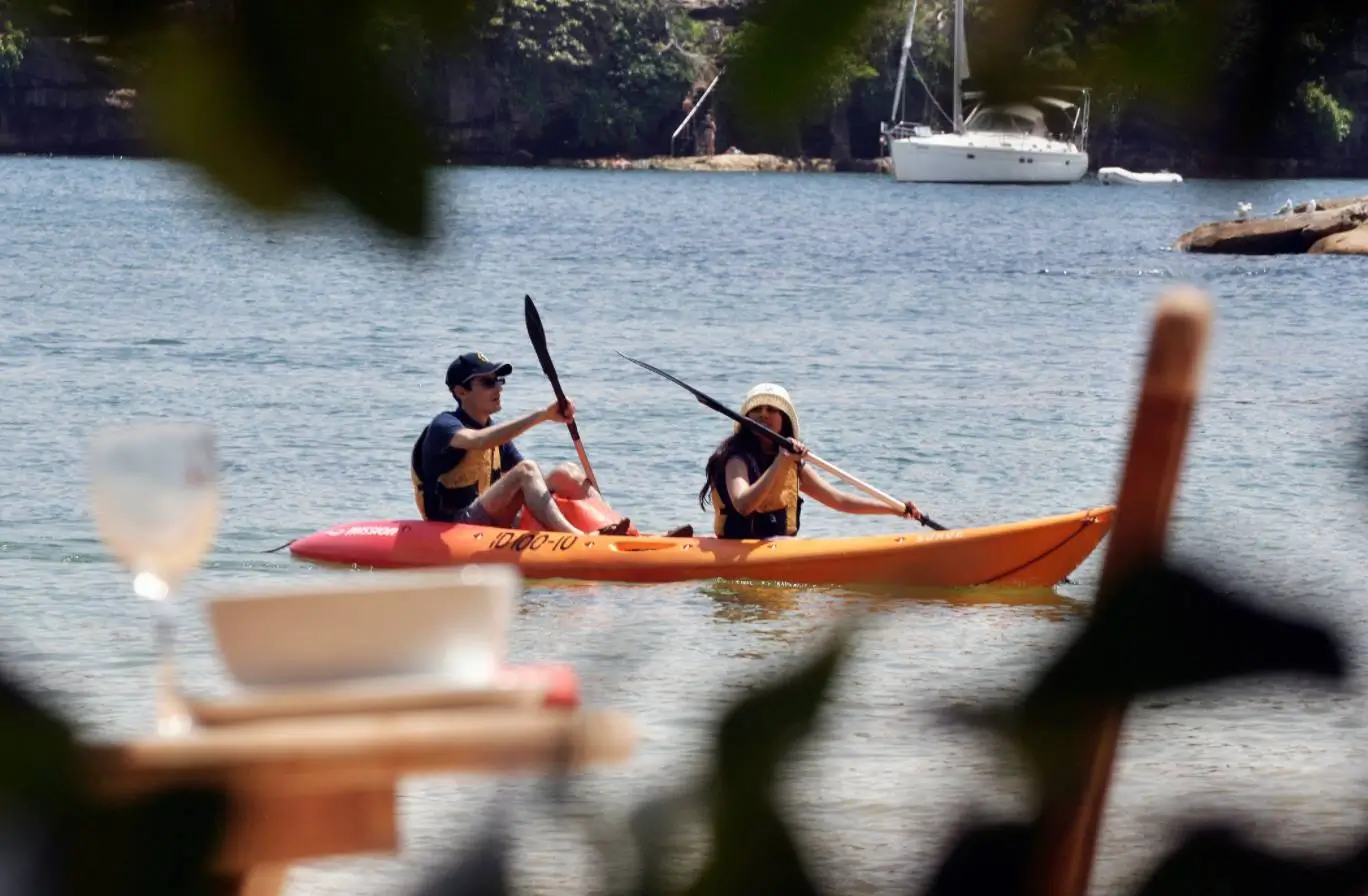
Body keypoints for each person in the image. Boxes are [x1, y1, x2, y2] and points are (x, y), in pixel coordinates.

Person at [411, 351, 631, 535]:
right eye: (488, 382)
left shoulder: (494, 433)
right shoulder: (444, 425)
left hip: (489, 516)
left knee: (566, 473)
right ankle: (578, 539)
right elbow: (478, 441)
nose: (498, 388)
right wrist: (543, 415)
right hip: (456, 525)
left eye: (499, 380)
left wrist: (562, 488)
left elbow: (533, 484)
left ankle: (623, 531)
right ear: (461, 392)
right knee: (527, 470)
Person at [698, 383, 923, 539]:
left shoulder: (793, 463)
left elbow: (839, 500)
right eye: (756, 410)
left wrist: (895, 509)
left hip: (777, 546)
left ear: (784, 420)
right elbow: (744, 505)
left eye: (771, 410)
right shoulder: (736, 459)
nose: (763, 414)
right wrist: (780, 461)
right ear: (747, 419)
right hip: (737, 548)